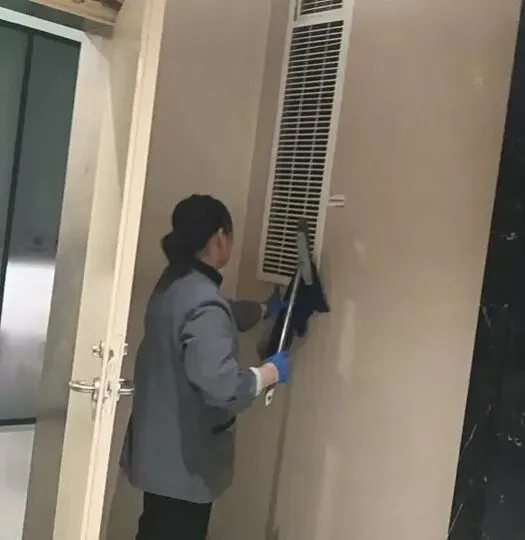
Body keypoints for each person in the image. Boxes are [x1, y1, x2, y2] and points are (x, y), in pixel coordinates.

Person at [120, 194, 289, 540]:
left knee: (155, 529)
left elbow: (218, 313)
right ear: (218, 238)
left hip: (158, 450)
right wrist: (269, 373)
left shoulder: (175, 282)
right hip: (185, 463)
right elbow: (223, 388)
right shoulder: (203, 301)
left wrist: (263, 309)